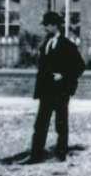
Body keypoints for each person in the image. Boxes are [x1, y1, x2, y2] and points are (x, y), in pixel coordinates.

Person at [28, 10, 85, 163]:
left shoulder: (67, 45)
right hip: (46, 91)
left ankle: (61, 153)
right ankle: (36, 155)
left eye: (46, 25)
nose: (44, 28)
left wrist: (64, 75)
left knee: (61, 122)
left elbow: (79, 66)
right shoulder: (45, 43)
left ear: (54, 25)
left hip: (60, 91)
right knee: (40, 124)